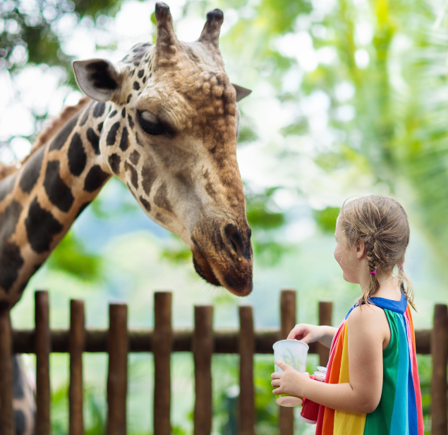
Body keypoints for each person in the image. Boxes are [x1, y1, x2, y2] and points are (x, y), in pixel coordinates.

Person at [271, 195, 424, 434]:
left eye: (337, 241)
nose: (335, 250)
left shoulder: (367, 314)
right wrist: (325, 333)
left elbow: (363, 398)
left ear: (359, 247)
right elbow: (375, 352)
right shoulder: (395, 296)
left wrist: (302, 386)